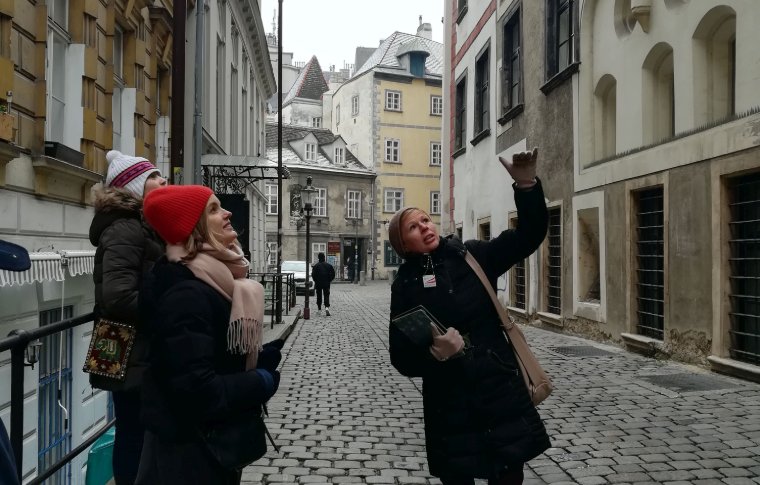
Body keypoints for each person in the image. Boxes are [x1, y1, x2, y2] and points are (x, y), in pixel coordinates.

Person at [387, 149, 552, 485]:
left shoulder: (473, 255)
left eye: (425, 220)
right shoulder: (405, 284)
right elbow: (401, 357)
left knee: (508, 475)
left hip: (497, 385)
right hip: (449, 402)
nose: (424, 228)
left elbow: (529, 235)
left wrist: (526, 186)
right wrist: (434, 354)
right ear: (403, 244)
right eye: (413, 227)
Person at [137, 185, 281, 485]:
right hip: (188, 457)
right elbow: (197, 390)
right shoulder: (187, 293)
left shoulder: (212, 277)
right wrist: (259, 381)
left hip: (204, 447)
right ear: (194, 228)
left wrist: (254, 358)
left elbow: (201, 356)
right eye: (214, 209)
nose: (227, 213)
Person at [88, 150, 166, 485]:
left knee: (137, 434)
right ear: (135, 186)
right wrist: (165, 312)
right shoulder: (125, 229)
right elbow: (118, 296)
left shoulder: (138, 226)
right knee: (134, 436)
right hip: (130, 350)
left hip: (135, 349)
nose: (163, 180)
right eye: (154, 177)